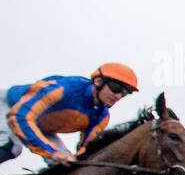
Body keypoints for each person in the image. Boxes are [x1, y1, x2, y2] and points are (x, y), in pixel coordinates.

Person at [3, 63, 139, 165]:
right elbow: (20, 117)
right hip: (9, 107)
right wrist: (53, 152)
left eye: (125, 93)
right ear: (98, 81)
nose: (118, 96)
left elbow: (85, 149)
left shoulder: (101, 116)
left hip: (41, 125)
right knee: (12, 147)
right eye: (116, 88)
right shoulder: (64, 89)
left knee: (67, 164)